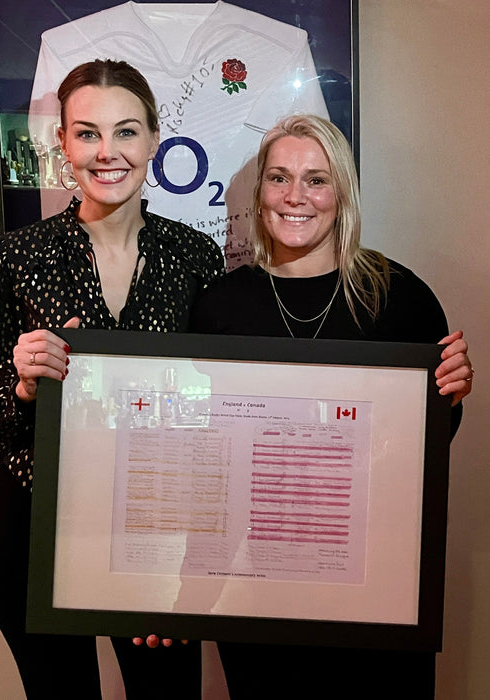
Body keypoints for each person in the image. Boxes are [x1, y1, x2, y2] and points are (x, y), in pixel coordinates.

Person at [0, 59, 224, 700]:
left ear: (156, 140)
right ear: (65, 144)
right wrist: (22, 383)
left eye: (126, 132)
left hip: (154, 525)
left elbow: (220, 399)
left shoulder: (196, 257)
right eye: (88, 133)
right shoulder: (14, 257)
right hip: (33, 520)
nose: (108, 153)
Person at [189, 114, 473, 699]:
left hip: (377, 585)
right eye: (279, 178)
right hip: (258, 585)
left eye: (316, 179)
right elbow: (201, 456)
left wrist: (450, 391)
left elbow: (425, 446)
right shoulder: (217, 306)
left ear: (341, 192)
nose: (296, 196)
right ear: (259, 193)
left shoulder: (401, 297)